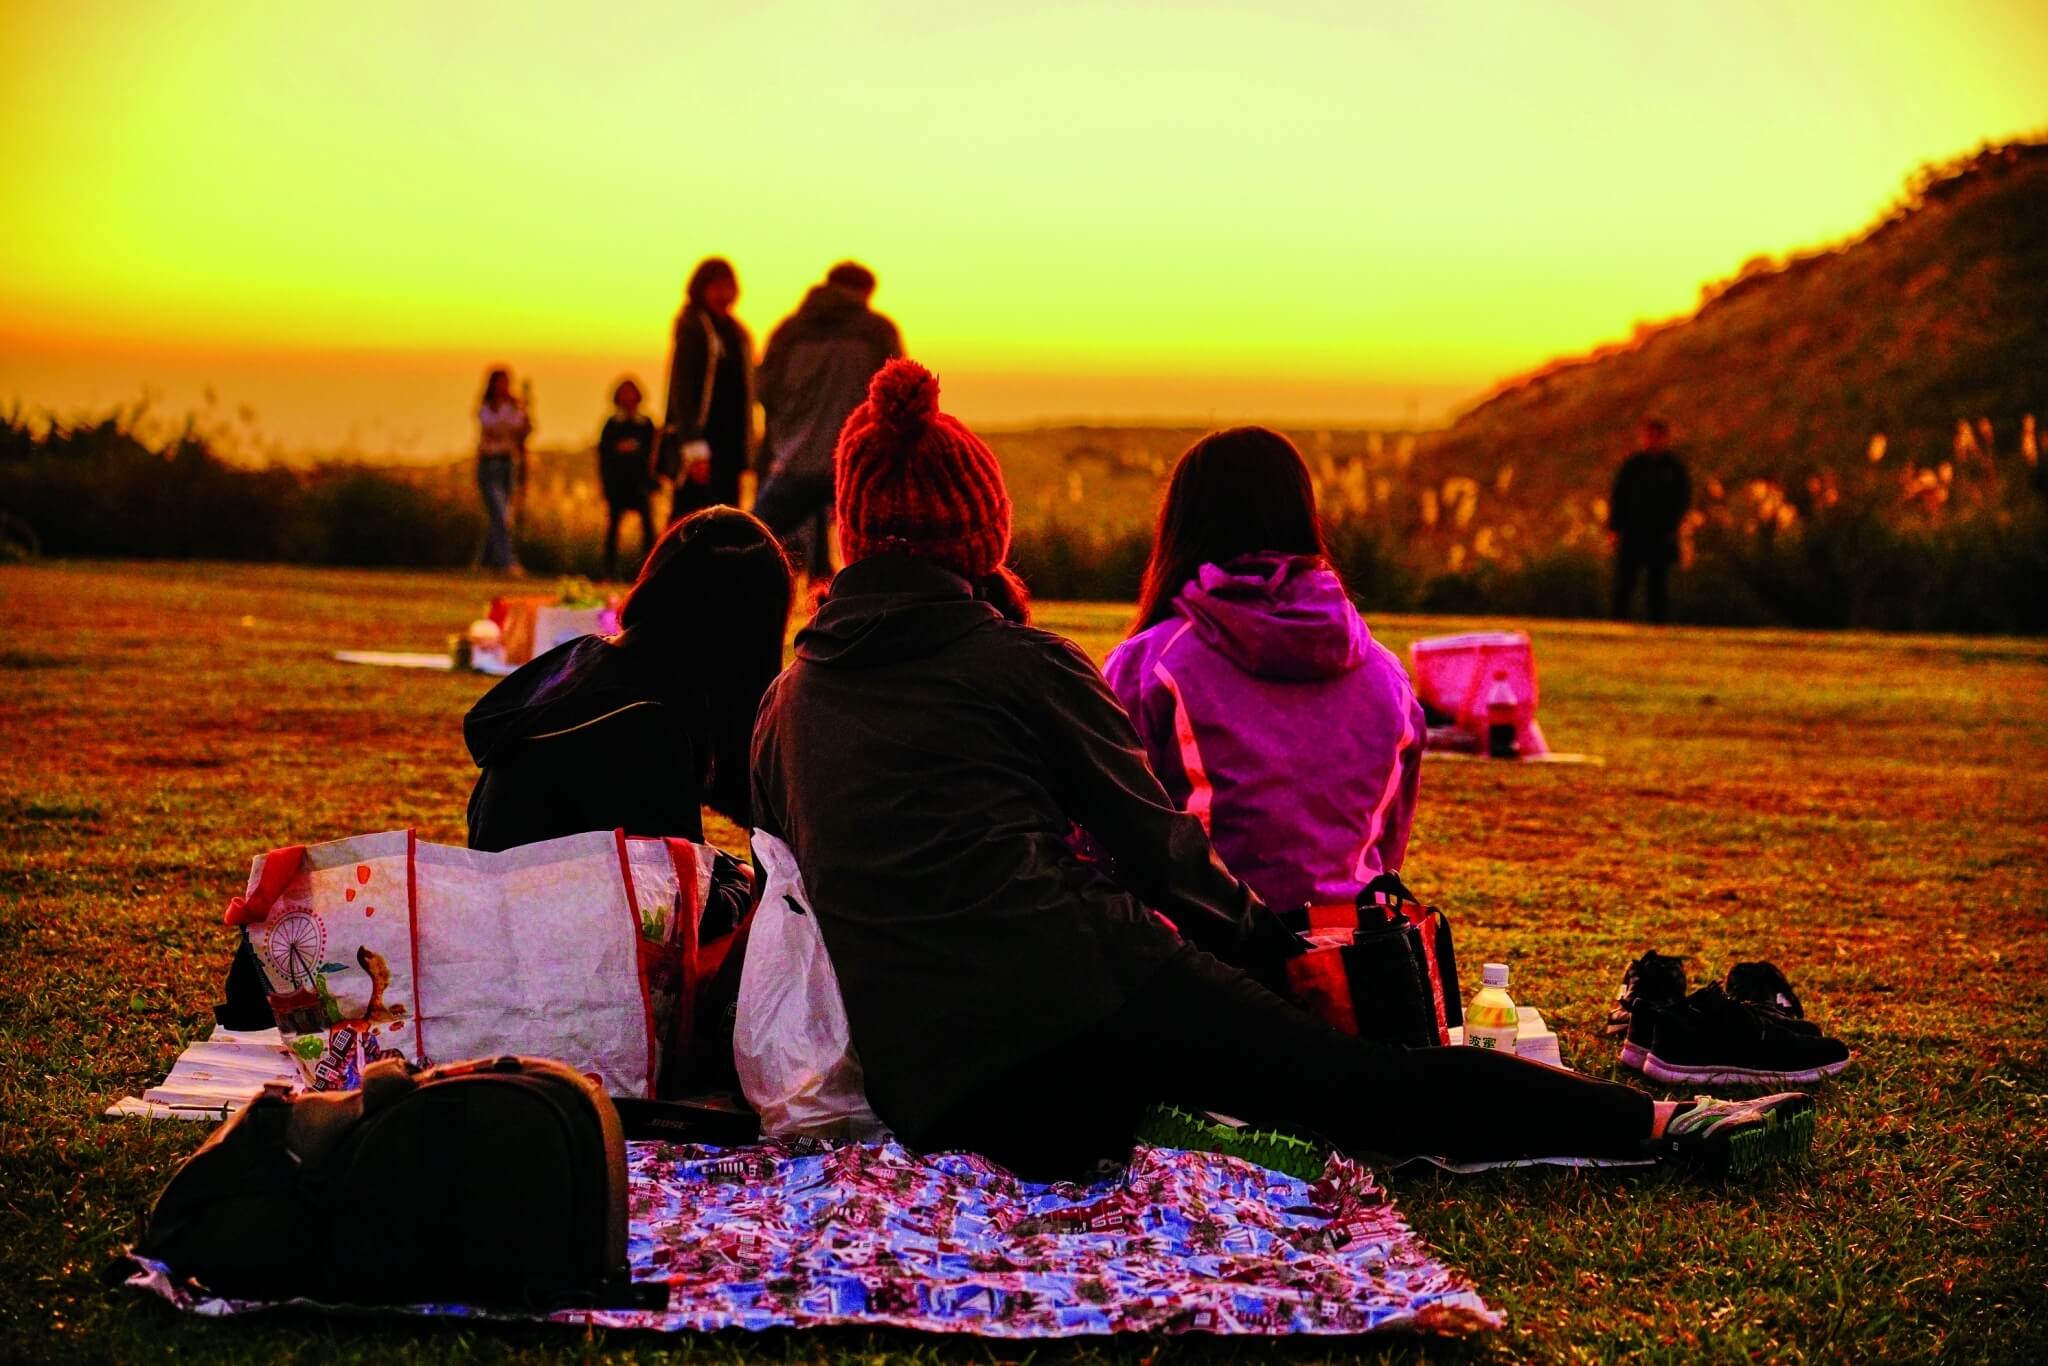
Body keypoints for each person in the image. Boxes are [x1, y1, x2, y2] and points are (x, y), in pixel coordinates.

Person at [751, 358, 1814, 1182]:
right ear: (982, 534)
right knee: (1362, 1087)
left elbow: (793, 880)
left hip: (940, 1097)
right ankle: (1660, 1121)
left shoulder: (786, 704)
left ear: (846, 533)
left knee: (1217, 1080)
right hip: (1085, 999)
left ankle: (1190, 1122)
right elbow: (1163, 853)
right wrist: (1277, 955)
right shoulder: (1021, 665)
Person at [1104, 427, 1422, 913]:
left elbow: (1103, 835)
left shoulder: (1152, 665)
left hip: (1200, 958)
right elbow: (1387, 848)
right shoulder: (1389, 677)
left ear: (1182, 527)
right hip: (1355, 962)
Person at [465, 506, 792, 852]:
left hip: (509, 884)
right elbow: (670, 886)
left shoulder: (586, 659)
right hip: (559, 895)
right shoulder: (646, 720)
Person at [752, 261, 901, 581]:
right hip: (857, 459)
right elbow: (898, 392)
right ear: (864, 291)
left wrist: (792, 426)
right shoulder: (877, 331)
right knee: (885, 549)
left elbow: (765, 389)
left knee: (750, 539)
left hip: (796, 458)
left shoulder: (789, 330)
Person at [658, 257, 754, 523]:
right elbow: (683, 388)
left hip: (730, 443)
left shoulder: (737, 333)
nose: (724, 294)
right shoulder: (693, 327)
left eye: (729, 287)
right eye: (717, 287)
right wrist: (693, 444)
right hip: (701, 441)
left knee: (727, 515)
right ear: (702, 288)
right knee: (689, 516)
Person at [1609, 417, 1691, 623]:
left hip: (1661, 534)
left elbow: (1682, 499)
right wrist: (1615, 528)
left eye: (1656, 436)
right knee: (1625, 581)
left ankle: (1658, 623)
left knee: (1658, 583)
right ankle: (1618, 621)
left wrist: (1674, 526)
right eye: (1648, 436)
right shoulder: (1633, 466)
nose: (1651, 440)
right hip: (1632, 532)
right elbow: (1619, 497)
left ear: (1665, 438)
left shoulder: (1674, 468)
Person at [597, 377, 658, 580]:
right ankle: (609, 572)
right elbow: (604, 455)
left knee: (648, 528)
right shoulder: (612, 425)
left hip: (639, 483)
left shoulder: (646, 424)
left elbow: (653, 454)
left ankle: (650, 571)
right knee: (613, 528)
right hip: (617, 483)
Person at [475, 367, 531, 573]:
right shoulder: (486, 407)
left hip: (508, 464)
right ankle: (507, 562)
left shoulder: (514, 407)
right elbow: (493, 429)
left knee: (499, 516)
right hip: (489, 464)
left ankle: (483, 563)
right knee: (500, 514)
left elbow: (521, 430)